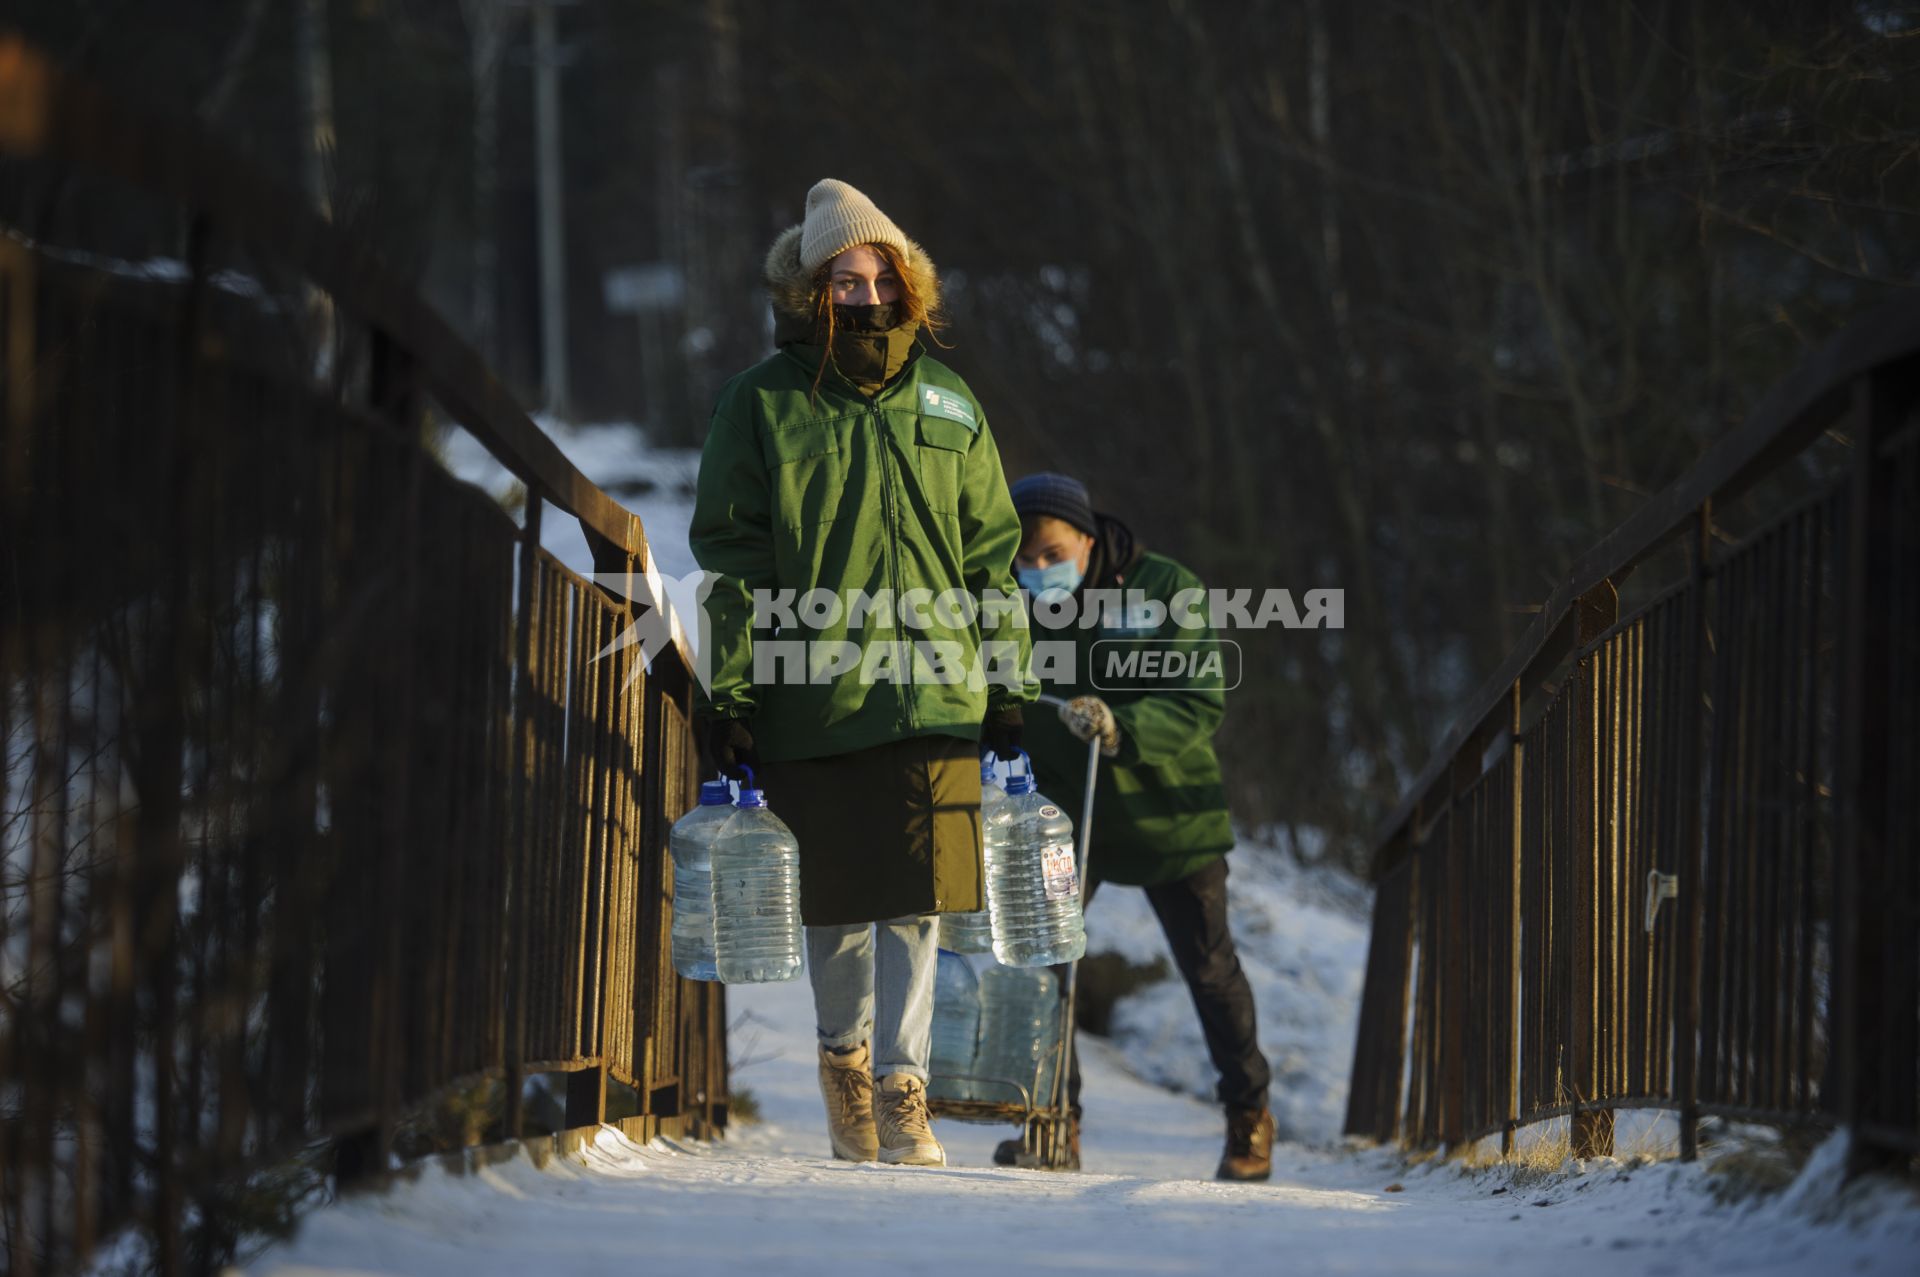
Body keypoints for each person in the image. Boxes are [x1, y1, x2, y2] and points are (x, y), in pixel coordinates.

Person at [688, 179, 1032, 1167]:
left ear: (909, 283)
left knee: (921, 899)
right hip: (816, 693)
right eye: (844, 277)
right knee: (838, 902)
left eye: (881, 274)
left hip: (937, 692)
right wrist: (736, 692)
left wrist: (1008, 684)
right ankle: (845, 1072)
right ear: (809, 290)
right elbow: (733, 558)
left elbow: (990, 558)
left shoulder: (950, 402)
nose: (865, 293)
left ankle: (904, 1091)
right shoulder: (760, 404)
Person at [997, 471, 1276, 1182]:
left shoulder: (1161, 589)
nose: (1036, 571)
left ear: (1088, 540)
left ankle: (1249, 1114)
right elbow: (992, 691)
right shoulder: (1007, 600)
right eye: (1023, 561)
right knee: (1045, 965)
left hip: (1168, 813)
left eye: (1051, 553)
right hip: (1065, 815)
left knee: (1210, 970)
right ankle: (1055, 1119)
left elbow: (1199, 695)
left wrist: (1125, 727)